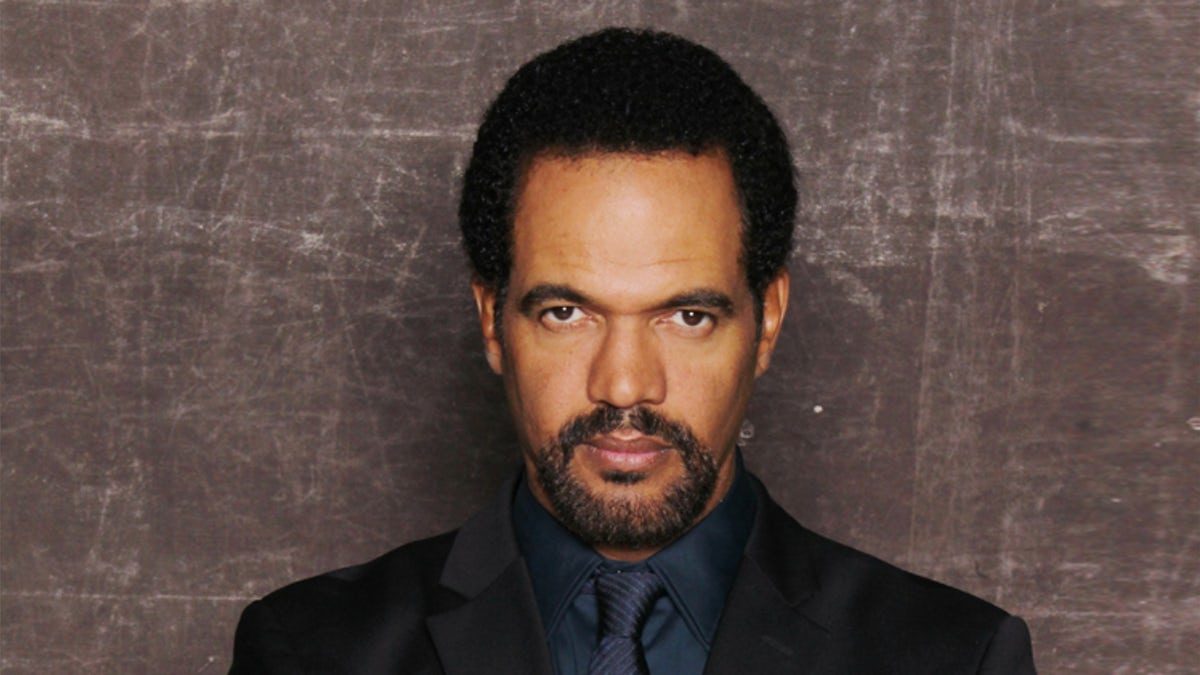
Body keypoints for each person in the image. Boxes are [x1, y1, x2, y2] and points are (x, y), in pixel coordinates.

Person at [230, 28, 1036, 674]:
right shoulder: (309, 652)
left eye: (687, 315)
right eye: (565, 312)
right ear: (492, 321)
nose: (623, 384)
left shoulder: (956, 657)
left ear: (767, 321)